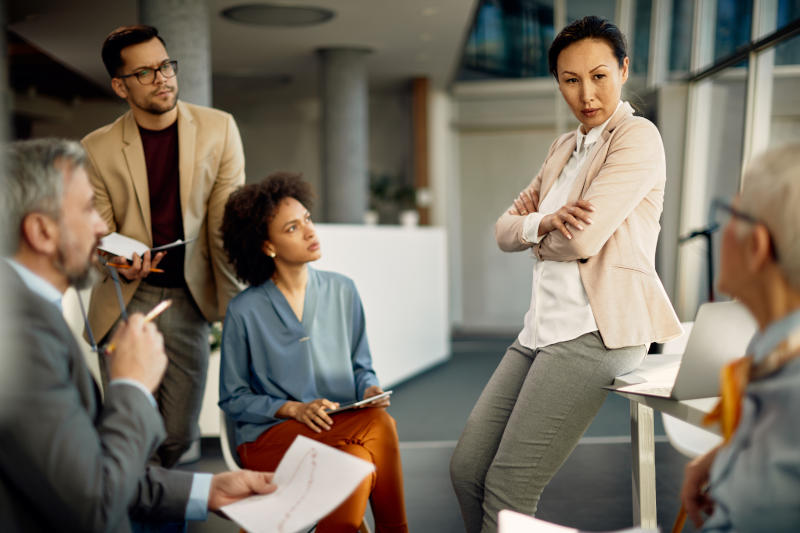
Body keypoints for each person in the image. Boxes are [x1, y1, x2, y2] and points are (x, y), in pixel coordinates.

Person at [449, 16, 682, 533]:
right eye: (570, 80)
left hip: (597, 330)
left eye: (599, 76)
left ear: (623, 70)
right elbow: (502, 230)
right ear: (557, 82)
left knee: (509, 487)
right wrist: (541, 222)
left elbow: (579, 239)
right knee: (466, 470)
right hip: (542, 329)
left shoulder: (636, 137)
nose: (586, 93)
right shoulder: (563, 147)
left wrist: (539, 233)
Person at [0, 138, 275, 532]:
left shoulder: (30, 312)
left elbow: (83, 468)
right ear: (41, 232)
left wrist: (207, 490)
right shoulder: (19, 334)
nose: (101, 227)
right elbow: (95, 503)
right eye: (88, 209)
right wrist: (132, 384)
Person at [82, 25, 245, 467]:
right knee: (130, 430)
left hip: (189, 298)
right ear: (120, 86)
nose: (163, 79)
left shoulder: (219, 129)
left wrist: (239, 311)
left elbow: (223, 227)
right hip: (127, 296)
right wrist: (118, 261)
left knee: (177, 434)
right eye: (146, 72)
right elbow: (97, 230)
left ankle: (153, 498)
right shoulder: (96, 148)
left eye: (166, 66)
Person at [218, 173, 409, 533]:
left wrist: (369, 389)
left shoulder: (344, 291)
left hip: (342, 429)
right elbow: (233, 398)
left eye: (307, 219)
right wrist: (292, 408)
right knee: (379, 427)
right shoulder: (244, 311)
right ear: (267, 246)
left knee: (354, 457)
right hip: (271, 438)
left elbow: (361, 366)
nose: (309, 232)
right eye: (292, 228)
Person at [679, 144, 800, 532]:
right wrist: (723, 455)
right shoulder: (774, 350)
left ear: (757, 247)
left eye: (730, 213)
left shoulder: (790, 390)